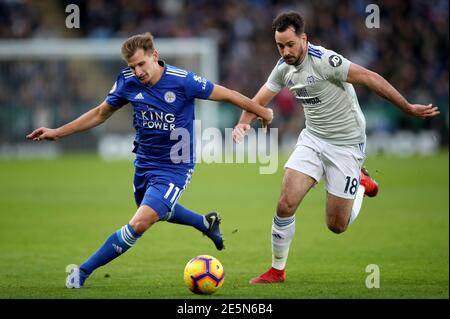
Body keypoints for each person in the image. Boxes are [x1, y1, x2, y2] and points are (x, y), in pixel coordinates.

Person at [26, 32, 273, 288]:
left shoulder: (183, 81)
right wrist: (57, 132)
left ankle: (82, 272)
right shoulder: (127, 81)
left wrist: (262, 111)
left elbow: (229, 94)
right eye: (132, 67)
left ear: (154, 56)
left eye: (141, 64)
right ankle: (204, 222)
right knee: (157, 212)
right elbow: (100, 114)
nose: (138, 71)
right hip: (144, 163)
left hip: (176, 166)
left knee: (140, 222)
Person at [232, 11, 440, 284]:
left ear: (303, 39)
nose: (285, 51)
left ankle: (362, 184)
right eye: (280, 46)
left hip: (346, 144)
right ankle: (277, 271)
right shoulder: (283, 68)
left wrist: (408, 107)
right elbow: (258, 99)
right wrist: (243, 123)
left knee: (336, 225)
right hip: (313, 139)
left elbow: (370, 77)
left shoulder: (325, 61)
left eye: (290, 45)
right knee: (285, 203)